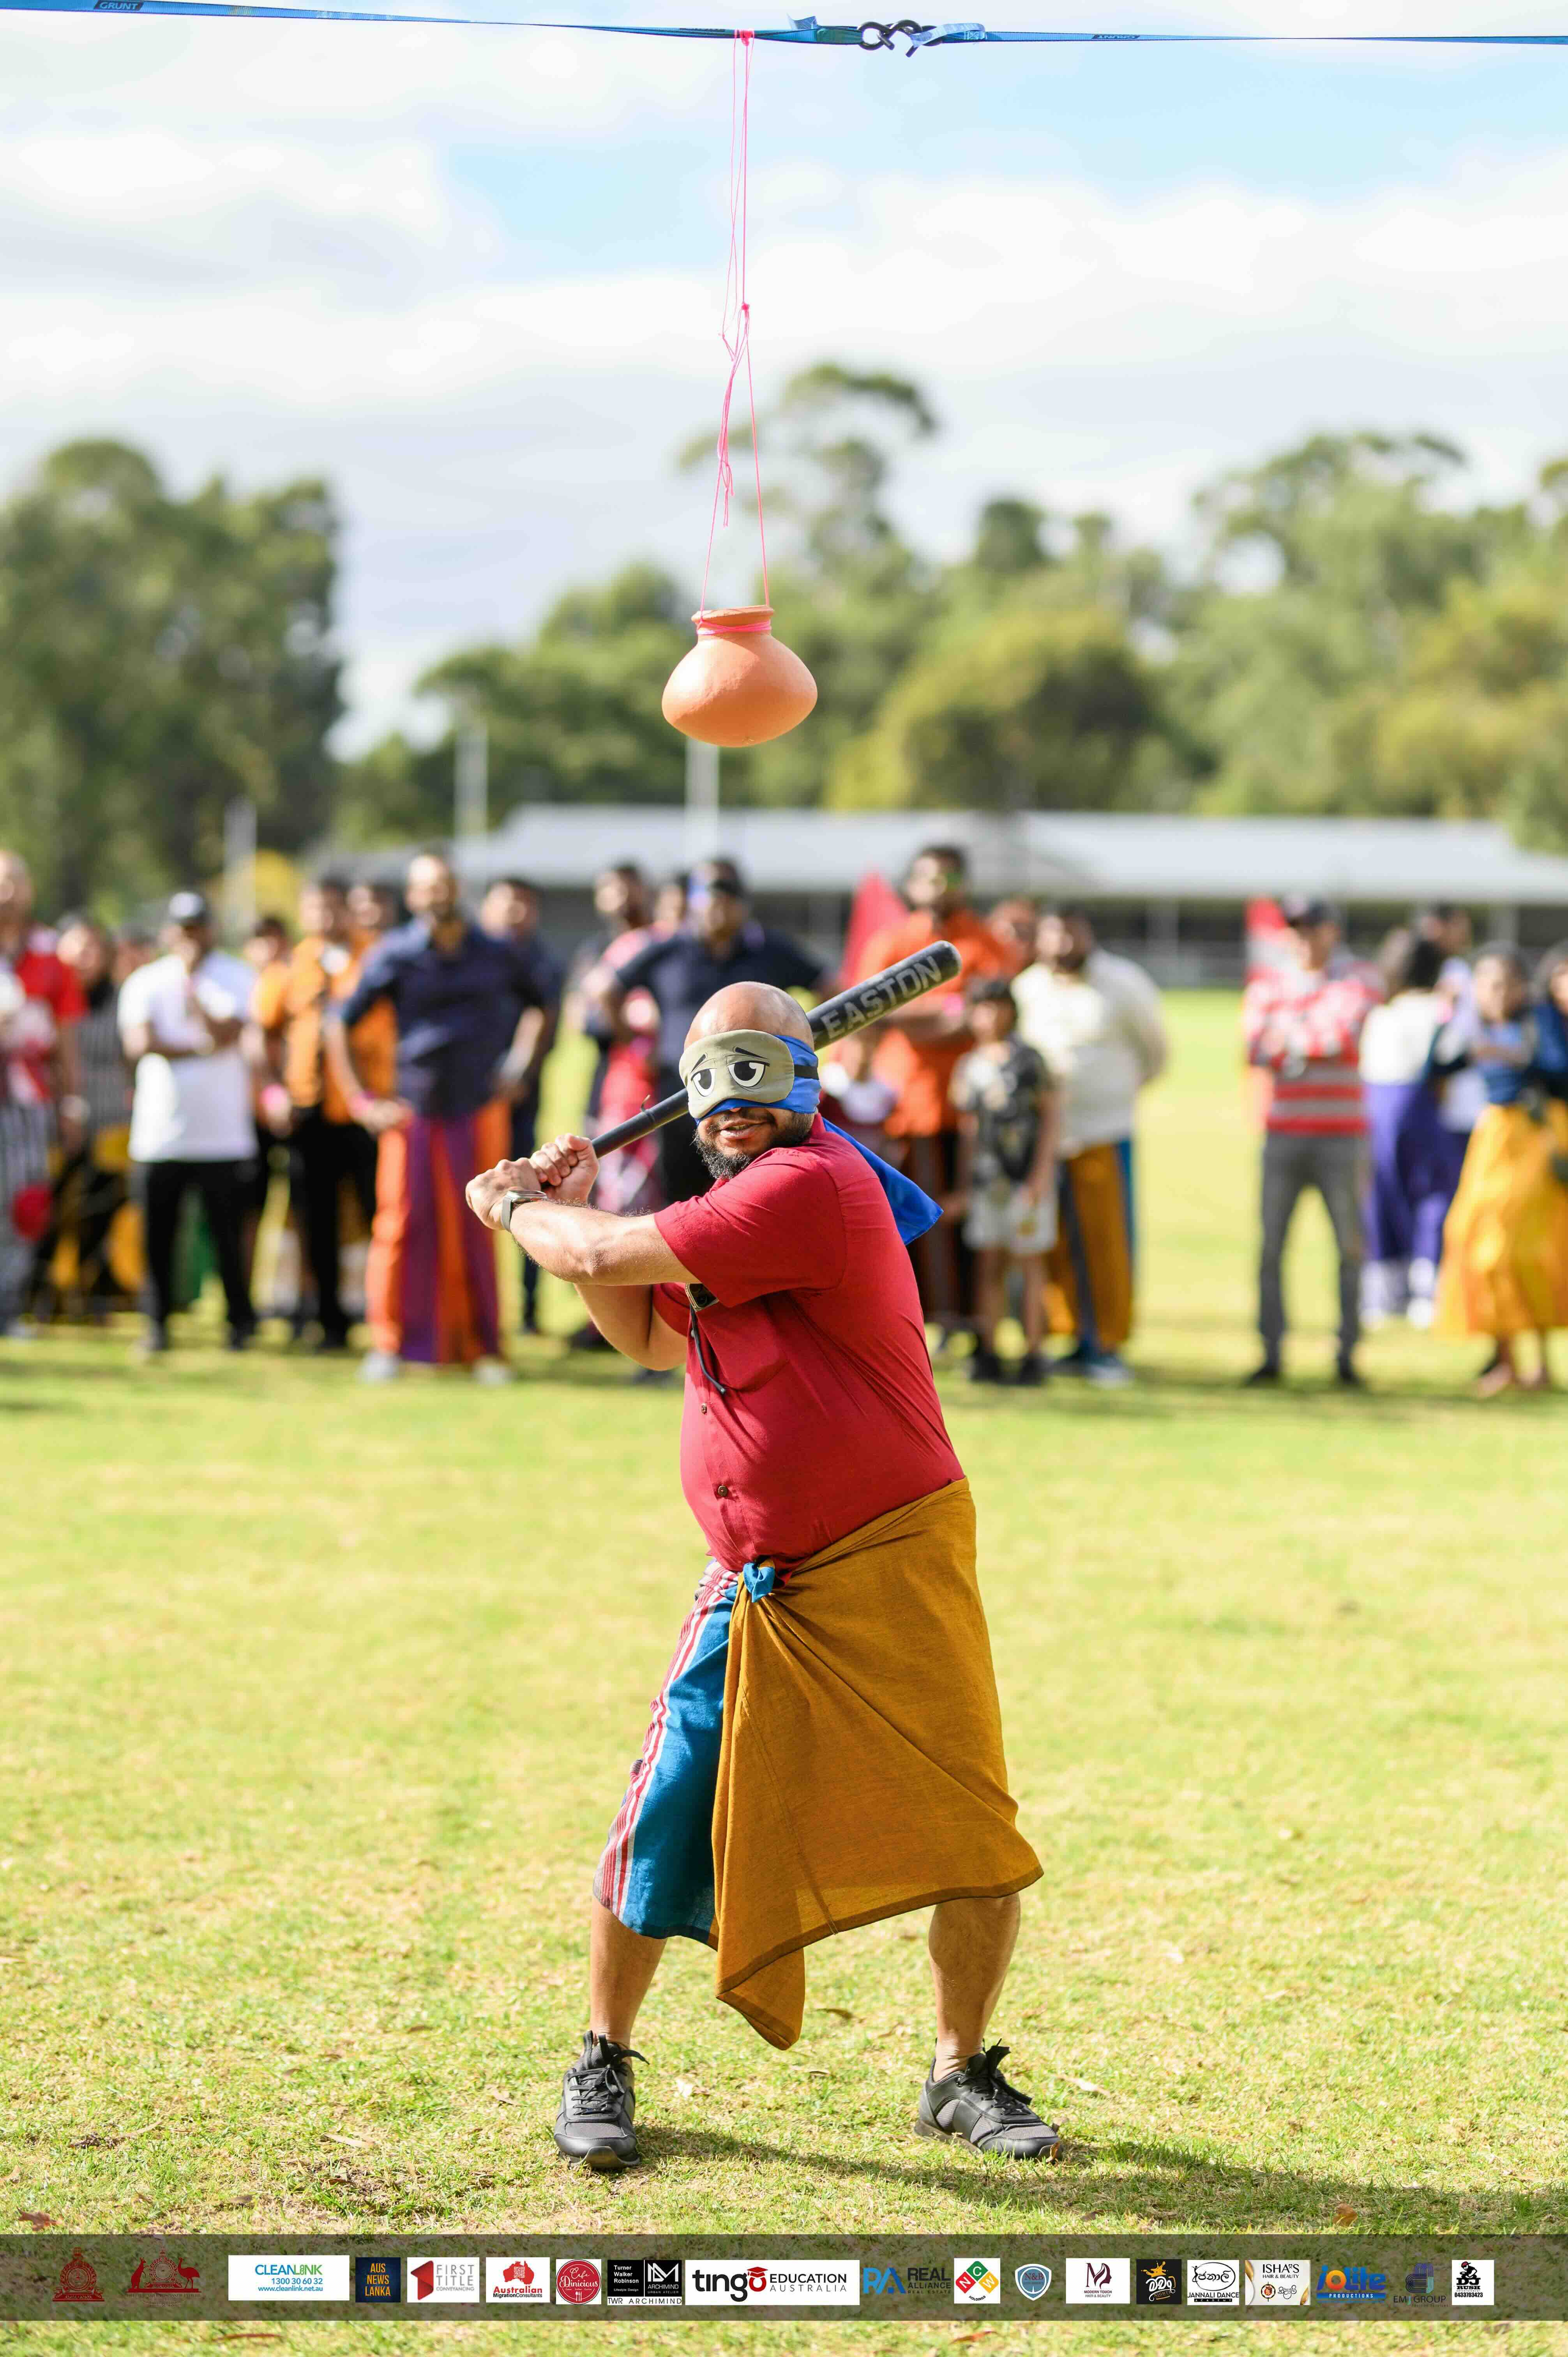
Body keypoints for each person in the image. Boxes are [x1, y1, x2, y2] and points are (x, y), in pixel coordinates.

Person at [464, 981, 1055, 2171]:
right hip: (757, 1576)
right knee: (666, 1803)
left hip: (890, 1551)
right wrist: (568, 1213)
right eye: (709, 1076)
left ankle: (957, 2071)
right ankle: (602, 2053)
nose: (731, 1099)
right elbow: (640, 1327)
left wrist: (519, 1209)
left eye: (755, 1068)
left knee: (970, 1825)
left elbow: (599, 1250)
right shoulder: (736, 1200)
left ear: (804, 1077)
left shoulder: (813, 1188)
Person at [326, 851, 549, 1383]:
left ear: (458, 889)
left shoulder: (494, 952)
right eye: (426, 888)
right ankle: (390, 1344)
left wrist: (520, 1066)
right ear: (412, 896)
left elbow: (542, 1003)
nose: (436, 896)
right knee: (402, 1225)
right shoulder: (395, 952)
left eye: (444, 885)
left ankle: (485, 1349)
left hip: (478, 1107)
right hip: (414, 1110)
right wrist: (362, 1100)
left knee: (483, 1226)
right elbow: (340, 1022)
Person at [590, 859, 826, 1208]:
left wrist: (801, 1044)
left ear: (743, 903)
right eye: (707, 893)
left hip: (759, 1095)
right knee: (681, 1197)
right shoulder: (668, 948)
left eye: (727, 893)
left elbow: (830, 987)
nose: (717, 903)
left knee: (754, 1193)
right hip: (681, 1094)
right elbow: (608, 989)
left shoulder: (770, 949)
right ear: (694, 900)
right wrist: (638, 1045)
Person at [855, 846, 1012, 1337]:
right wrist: (949, 1014)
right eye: (928, 877)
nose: (938, 887)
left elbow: (988, 1012)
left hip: (978, 1108)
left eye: (948, 877)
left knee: (976, 1224)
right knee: (915, 1220)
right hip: (909, 1103)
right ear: (911, 884)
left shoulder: (986, 943)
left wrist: (910, 1017)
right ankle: (922, 1323)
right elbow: (869, 1011)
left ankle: (973, 1324)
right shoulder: (892, 941)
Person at [1012, 906, 1168, 1387]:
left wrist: (1115, 1093)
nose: (1061, 944)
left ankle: (1107, 1345)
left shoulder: (1122, 983)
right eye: (1052, 934)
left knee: (1105, 1241)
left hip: (1103, 1131)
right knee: (1055, 1243)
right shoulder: (1028, 988)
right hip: (1044, 1141)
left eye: (1070, 933)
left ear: (1087, 934)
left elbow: (1155, 1052)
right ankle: (1073, 1337)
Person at [1240, 894, 1381, 1387]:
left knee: (1348, 1248)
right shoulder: (1267, 983)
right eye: (1295, 929)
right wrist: (1307, 1035)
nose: (1302, 939)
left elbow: (1343, 1036)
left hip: (1341, 1138)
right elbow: (1255, 1047)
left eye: (1311, 928)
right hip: (1282, 1136)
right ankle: (1271, 1352)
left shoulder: (1358, 978)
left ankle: (1347, 1354)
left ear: (1331, 932)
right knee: (1272, 1248)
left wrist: (1292, 1036)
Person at [116, 891, 258, 1354]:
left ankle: (239, 1321)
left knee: (227, 1236)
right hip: (160, 1134)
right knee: (158, 1235)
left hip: (221, 1134)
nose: (189, 937)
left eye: (197, 927)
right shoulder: (146, 981)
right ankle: (156, 1323)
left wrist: (195, 1000)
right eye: (182, 928)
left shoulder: (236, 976)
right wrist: (198, 1045)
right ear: (168, 933)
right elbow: (139, 1043)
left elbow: (228, 1034)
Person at [252, 878, 382, 1352]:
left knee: (380, 1216)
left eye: (334, 907)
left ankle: (392, 1316)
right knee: (315, 1220)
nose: (326, 917)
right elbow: (262, 1033)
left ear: (350, 911)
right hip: (308, 1110)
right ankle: (328, 1320)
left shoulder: (377, 959)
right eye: (316, 908)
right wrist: (272, 1091)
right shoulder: (291, 966)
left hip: (364, 1110)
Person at [1433, 943, 1568, 1395]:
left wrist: (1511, 1055)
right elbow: (1437, 1065)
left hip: (1534, 1135)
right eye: (1488, 985)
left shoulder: (1539, 1021)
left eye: (1506, 984)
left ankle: (1542, 1365)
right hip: (1492, 1139)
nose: (1498, 994)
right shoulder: (1473, 1025)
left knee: (1523, 1249)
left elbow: (1559, 1070)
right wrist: (1448, 1018)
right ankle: (1507, 1361)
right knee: (1473, 1241)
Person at [950, 977, 1059, 1387]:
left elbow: (1050, 1115)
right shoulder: (970, 1066)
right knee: (989, 1265)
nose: (991, 1016)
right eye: (982, 1007)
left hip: (1023, 1176)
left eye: (998, 1006)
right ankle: (989, 1348)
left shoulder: (1030, 1060)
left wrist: (1042, 1172)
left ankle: (1033, 1351)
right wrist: (964, 1184)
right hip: (987, 1180)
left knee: (1030, 1262)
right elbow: (968, 1128)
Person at [1358, 930, 1462, 1329]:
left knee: (1382, 1195)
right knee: (1431, 1194)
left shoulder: (1381, 1010)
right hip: (1416, 1105)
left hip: (1374, 1105)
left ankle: (1381, 1293)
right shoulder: (1437, 1009)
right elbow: (1449, 1061)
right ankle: (1425, 1291)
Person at [0, 851, 85, 1333]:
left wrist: (73, 1101)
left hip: (29, 1101)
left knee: (26, 1204)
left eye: (16, 881)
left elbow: (67, 1038)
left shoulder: (50, 956)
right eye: (1, 882)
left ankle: (9, 1306)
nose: (8, 891)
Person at [480, 876, 564, 1338]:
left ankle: (530, 1308)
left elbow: (547, 1018)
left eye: (524, 903)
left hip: (519, 1097)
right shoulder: (472, 956)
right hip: (466, 1101)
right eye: (505, 900)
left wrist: (520, 1075)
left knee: (523, 1196)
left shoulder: (540, 961)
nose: (514, 910)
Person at [46, 916, 133, 1316]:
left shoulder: (120, 999)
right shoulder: (48, 997)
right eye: (76, 946)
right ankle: (45, 1289)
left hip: (110, 1119)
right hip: (54, 1119)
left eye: (93, 948)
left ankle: (92, 1289)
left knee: (100, 1210)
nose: (84, 957)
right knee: (52, 1208)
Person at [819, 1025, 897, 1158]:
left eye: (870, 1042)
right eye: (858, 1042)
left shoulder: (887, 1091)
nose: (864, 1051)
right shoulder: (826, 1086)